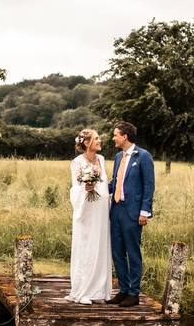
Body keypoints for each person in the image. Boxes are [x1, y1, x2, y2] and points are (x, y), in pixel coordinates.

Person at [106, 122, 155, 308]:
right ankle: (123, 290)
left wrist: (145, 212)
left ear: (125, 136)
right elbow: (114, 183)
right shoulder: (118, 157)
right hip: (116, 210)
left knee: (133, 253)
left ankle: (134, 293)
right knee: (117, 253)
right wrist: (94, 184)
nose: (113, 138)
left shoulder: (143, 156)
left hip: (133, 213)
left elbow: (149, 186)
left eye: (115, 135)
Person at [66, 129, 113, 304]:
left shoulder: (101, 159)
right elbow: (74, 187)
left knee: (100, 245)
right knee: (87, 245)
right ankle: (83, 291)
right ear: (87, 143)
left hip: (101, 209)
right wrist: (86, 188)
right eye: (96, 138)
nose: (100, 141)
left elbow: (104, 183)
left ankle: (99, 291)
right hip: (86, 209)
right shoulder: (77, 162)